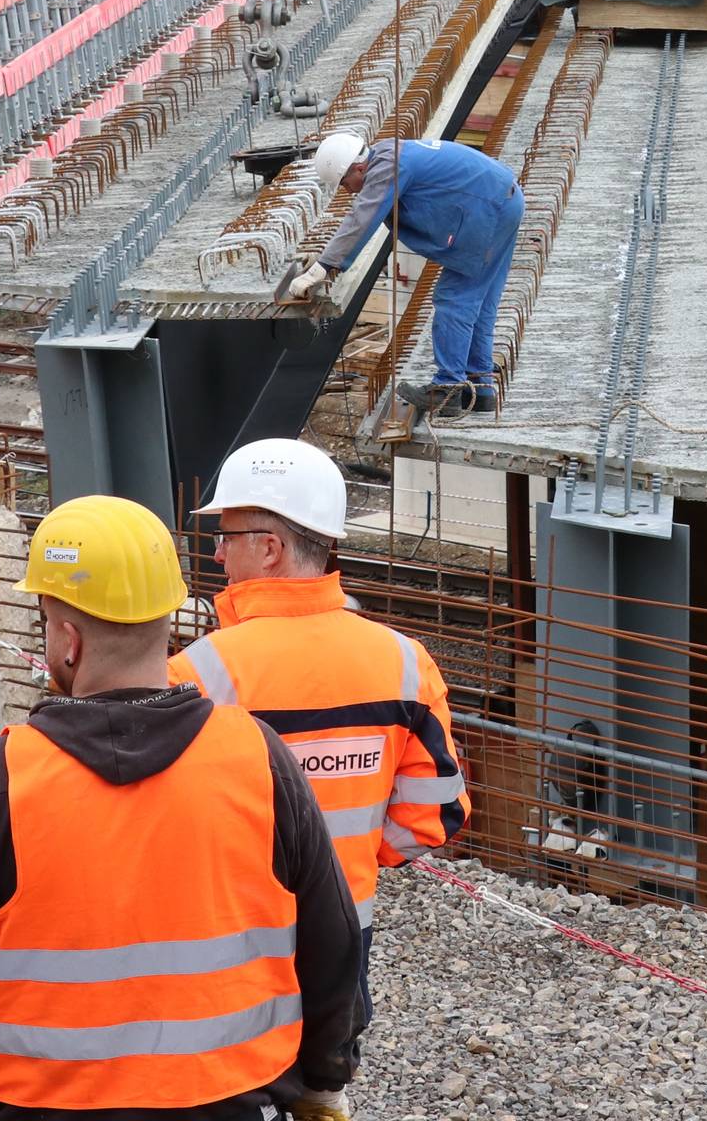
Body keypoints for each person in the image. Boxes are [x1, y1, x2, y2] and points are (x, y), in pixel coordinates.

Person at [0, 494, 365, 1121]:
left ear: (67, 640)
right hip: (233, 1102)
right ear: (167, 620)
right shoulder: (258, 759)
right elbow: (333, 946)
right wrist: (321, 1079)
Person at [172, 438, 471, 938]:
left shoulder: (197, 673)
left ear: (270, 548)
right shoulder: (404, 662)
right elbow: (437, 811)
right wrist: (353, 854)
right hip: (346, 924)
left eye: (225, 536)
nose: (219, 553)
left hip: (235, 935)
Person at [304, 133, 527, 419]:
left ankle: (448, 389)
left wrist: (325, 265)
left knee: (454, 299)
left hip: (488, 210)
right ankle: (480, 389)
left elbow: (363, 216)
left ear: (359, 168)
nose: (348, 191)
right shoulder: (389, 155)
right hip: (501, 201)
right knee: (479, 303)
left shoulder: (388, 167)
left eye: (346, 184)